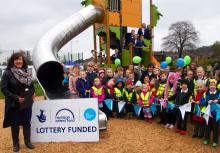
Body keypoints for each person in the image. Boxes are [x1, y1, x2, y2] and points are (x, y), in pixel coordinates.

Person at [1, 52, 35, 152]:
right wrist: (16, 97)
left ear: (23, 61)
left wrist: (33, 93)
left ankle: (27, 142)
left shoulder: (27, 72)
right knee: (15, 124)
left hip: (27, 101)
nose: (19, 61)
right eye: (16, 59)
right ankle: (16, 144)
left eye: (20, 59)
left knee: (26, 123)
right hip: (14, 103)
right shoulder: (7, 73)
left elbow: (31, 86)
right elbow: (4, 89)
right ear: (12, 61)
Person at [201, 79, 220, 147]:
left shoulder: (219, 93)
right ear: (209, 86)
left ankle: (215, 141)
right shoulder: (205, 93)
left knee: (216, 127)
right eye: (211, 85)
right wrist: (206, 102)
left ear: (216, 86)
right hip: (208, 113)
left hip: (216, 113)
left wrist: (218, 100)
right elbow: (201, 102)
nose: (212, 86)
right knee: (207, 126)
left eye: (214, 85)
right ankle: (207, 139)